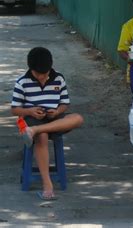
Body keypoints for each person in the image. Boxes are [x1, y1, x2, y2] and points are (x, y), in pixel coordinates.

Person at [11, 47, 84, 200]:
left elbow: (65, 104)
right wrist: (30, 111)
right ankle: (47, 184)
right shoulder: (22, 82)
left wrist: (57, 112)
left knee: (78, 118)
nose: (43, 78)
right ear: (31, 69)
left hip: (54, 119)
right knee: (42, 136)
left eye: (45, 74)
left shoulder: (59, 79)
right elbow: (15, 109)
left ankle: (34, 130)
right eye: (38, 75)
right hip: (31, 119)